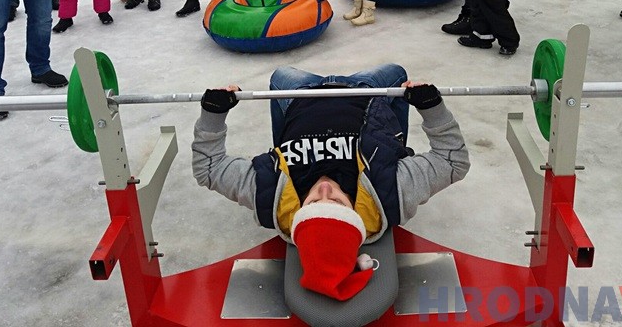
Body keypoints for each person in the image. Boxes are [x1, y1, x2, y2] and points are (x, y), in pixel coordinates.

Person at [191, 64, 470, 301]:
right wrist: (430, 106)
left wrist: (214, 114)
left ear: (299, 212)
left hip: (299, 95)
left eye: (313, 202)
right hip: (365, 90)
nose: (324, 189)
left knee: (279, 76)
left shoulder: (270, 193)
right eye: (337, 201)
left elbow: (209, 168)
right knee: (396, 72)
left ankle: (282, 136)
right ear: (354, 212)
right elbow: (452, 161)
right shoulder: (391, 191)